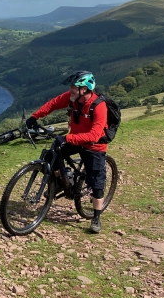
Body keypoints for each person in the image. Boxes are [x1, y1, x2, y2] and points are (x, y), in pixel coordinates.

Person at [25, 70, 108, 234]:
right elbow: (53, 104)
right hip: (76, 139)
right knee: (51, 154)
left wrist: (67, 139)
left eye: (73, 87)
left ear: (84, 89)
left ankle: (96, 217)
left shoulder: (99, 106)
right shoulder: (72, 99)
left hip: (94, 145)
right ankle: (59, 182)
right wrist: (34, 117)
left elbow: (95, 135)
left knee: (96, 182)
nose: (70, 90)